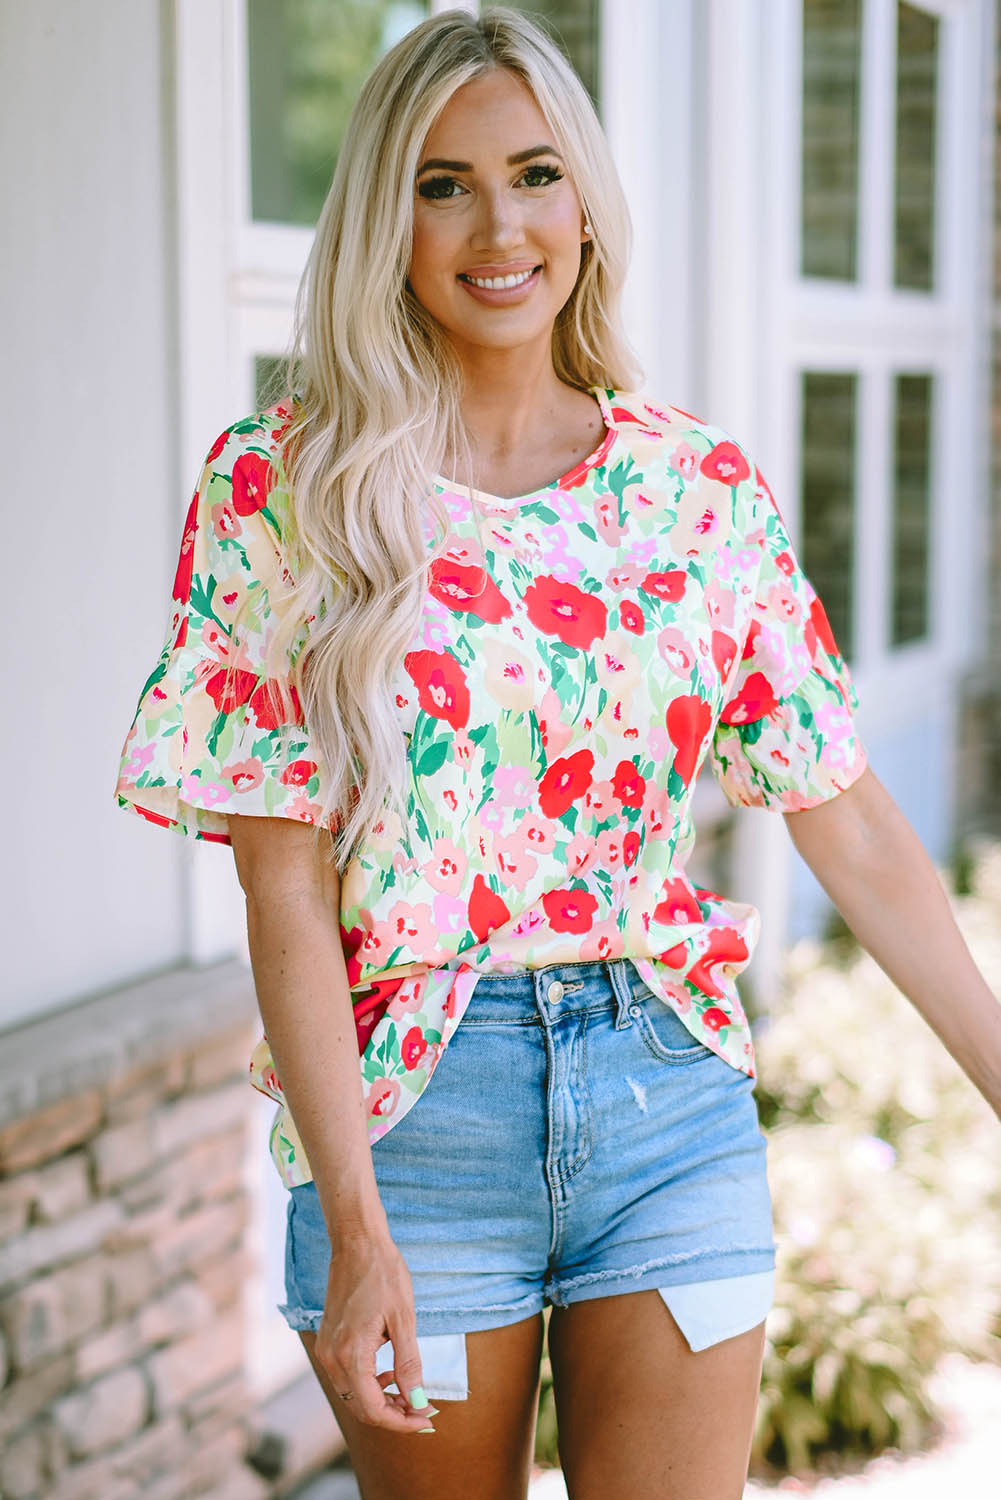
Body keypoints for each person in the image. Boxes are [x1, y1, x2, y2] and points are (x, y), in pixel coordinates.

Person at [114, 7, 1001, 1497]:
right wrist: (356, 1214)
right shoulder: (284, 488)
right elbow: (283, 891)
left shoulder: (692, 486)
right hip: (413, 1118)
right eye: (440, 183)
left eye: (533, 172)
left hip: (663, 1088)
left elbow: (841, 819)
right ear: (383, 221)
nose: (497, 224)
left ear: (585, 199)